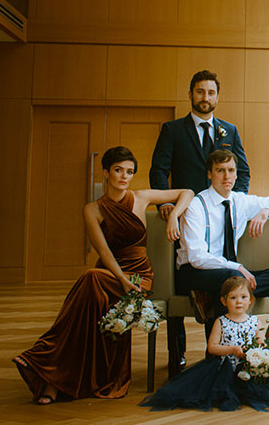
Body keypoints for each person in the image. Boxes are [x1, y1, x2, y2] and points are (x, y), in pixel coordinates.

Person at [13, 146, 194, 404]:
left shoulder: (141, 198)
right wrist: (121, 280)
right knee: (89, 297)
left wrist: (174, 214)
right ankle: (57, 380)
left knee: (90, 280)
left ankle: (48, 367)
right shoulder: (92, 210)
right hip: (111, 274)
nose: (124, 176)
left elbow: (187, 192)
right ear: (106, 173)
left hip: (140, 277)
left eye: (129, 172)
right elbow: (104, 252)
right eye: (118, 170)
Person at [150, 69, 250, 364]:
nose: (205, 98)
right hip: (182, 215)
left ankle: (216, 352)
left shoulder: (229, 130)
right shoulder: (173, 129)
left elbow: (242, 171)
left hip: (218, 217)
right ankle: (176, 354)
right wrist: (163, 204)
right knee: (174, 281)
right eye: (200, 92)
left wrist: (235, 202)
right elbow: (159, 169)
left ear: (217, 96)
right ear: (190, 94)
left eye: (211, 92)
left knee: (216, 278)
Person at [141, 276, 269, 412]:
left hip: (249, 366)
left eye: (243, 297)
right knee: (221, 390)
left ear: (250, 300)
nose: (239, 301)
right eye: (233, 297)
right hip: (224, 366)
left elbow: (261, 342)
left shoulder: (254, 321)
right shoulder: (221, 321)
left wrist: (260, 353)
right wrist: (232, 349)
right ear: (224, 301)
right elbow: (212, 347)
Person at [176, 149, 269, 343]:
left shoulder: (240, 201)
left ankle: (212, 298)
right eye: (220, 170)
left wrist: (265, 213)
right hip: (192, 273)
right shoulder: (196, 205)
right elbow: (197, 257)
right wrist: (237, 267)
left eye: (231, 170)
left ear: (237, 173)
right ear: (209, 174)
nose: (226, 176)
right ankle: (219, 355)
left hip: (228, 274)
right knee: (232, 280)